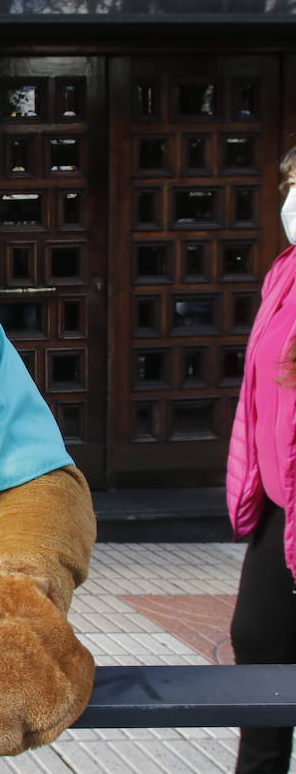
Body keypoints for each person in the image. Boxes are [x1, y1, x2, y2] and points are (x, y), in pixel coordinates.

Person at [228, 145, 296, 774]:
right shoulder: (286, 274)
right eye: (291, 184)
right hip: (282, 506)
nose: (291, 199)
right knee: (260, 643)